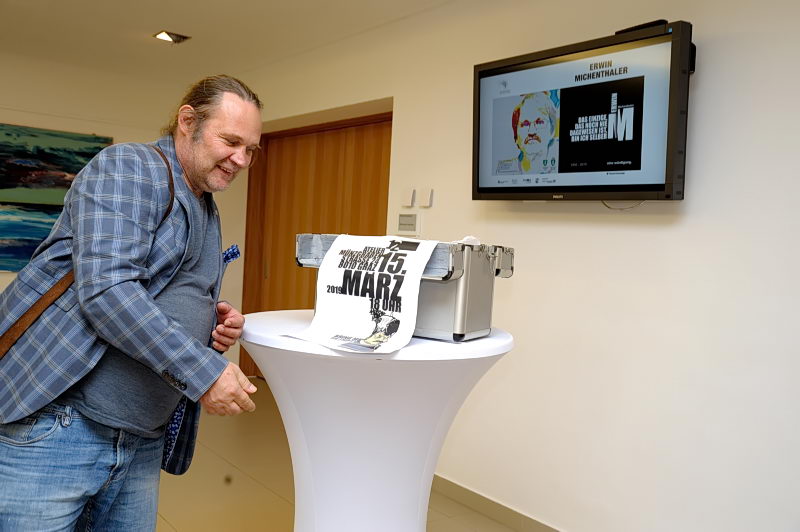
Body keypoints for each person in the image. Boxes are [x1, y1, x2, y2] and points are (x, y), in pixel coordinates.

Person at [0, 74, 263, 530]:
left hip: (139, 438)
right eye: (231, 141)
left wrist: (209, 324)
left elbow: (162, 291)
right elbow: (108, 290)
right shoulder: (131, 166)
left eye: (251, 149)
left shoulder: (203, 201)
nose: (242, 159)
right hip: (62, 427)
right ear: (188, 122)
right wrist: (205, 372)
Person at [511, 90, 560, 174]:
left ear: (552, 130)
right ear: (516, 135)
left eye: (539, 122)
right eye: (525, 124)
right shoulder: (503, 170)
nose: (532, 131)